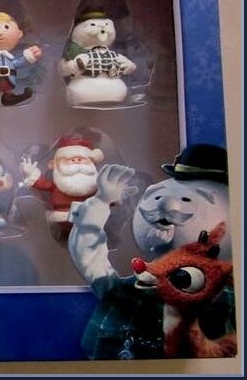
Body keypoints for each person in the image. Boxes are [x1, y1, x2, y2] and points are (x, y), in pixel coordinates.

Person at [68, 143, 235, 359]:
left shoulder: (227, 299)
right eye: (157, 197)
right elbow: (89, 257)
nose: (167, 205)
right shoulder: (127, 289)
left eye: (187, 199)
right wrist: (101, 202)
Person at [20, 136, 104, 243]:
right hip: (62, 218)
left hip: (89, 218)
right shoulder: (57, 184)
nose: (76, 162)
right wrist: (31, 173)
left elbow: (106, 196)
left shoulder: (95, 185)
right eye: (70, 160)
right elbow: (41, 184)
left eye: (81, 159)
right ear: (53, 164)